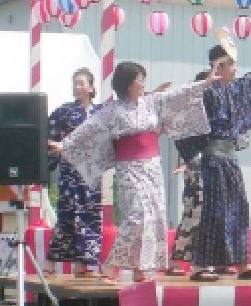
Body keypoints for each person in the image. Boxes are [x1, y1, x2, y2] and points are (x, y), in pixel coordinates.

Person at [50, 62, 216, 283]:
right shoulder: (112, 109)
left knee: (153, 217)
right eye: (139, 79)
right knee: (136, 217)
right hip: (129, 167)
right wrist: (66, 144)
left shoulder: (152, 102)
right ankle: (110, 267)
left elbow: (178, 94)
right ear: (128, 83)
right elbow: (89, 128)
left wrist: (204, 83)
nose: (143, 83)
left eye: (143, 79)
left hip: (153, 167)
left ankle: (139, 269)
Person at [174, 40, 251, 282]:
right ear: (218, 66)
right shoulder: (204, 91)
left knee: (239, 208)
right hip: (212, 160)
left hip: (230, 159)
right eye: (231, 64)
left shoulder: (234, 89)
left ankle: (243, 262)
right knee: (212, 212)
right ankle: (200, 265)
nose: (235, 69)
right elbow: (184, 117)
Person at [47, 68, 105, 279]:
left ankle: (84, 265)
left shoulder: (101, 111)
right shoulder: (64, 111)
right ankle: (51, 263)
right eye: (75, 83)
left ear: (91, 87)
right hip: (71, 169)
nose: (77, 87)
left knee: (90, 215)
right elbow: (49, 133)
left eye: (82, 83)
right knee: (68, 214)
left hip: (92, 171)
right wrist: (52, 153)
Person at [166, 71, 213, 277]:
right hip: (196, 165)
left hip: (214, 165)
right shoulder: (187, 111)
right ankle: (179, 260)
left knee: (209, 214)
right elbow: (180, 139)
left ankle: (211, 261)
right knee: (195, 213)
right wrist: (189, 162)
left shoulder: (215, 108)